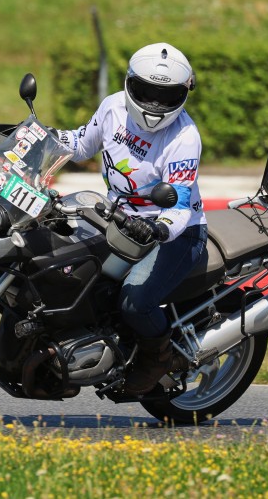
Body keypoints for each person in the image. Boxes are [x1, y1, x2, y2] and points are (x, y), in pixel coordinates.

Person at [53, 42, 208, 395]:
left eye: (165, 96)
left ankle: (159, 359)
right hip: (116, 218)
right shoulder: (112, 108)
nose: (154, 104)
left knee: (134, 301)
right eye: (146, 91)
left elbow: (180, 205)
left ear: (184, 94)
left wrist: (158, 227)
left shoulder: (184, 137)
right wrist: (38, 136)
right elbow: (80, 144)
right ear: (130, 83)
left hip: (174, 234)